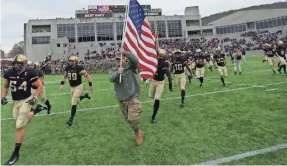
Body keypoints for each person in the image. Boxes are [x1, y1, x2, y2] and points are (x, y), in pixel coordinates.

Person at [1, 54, 45, 165]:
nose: (18, 66)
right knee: (19, 121)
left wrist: (35, 98)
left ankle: (16, 153)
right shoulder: (9, 73)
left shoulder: (30, 72)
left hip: (27, 100)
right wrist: (3, 96)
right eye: (17, 63)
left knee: (19, 125)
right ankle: (36, 110)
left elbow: (40, 86)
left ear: (24, 64)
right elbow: (6, 86)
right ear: (13, 63)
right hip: (15, 102)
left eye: (21, 63)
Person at [109, 48, 144, 146]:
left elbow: (135, 60)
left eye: (120, 58)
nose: (118, 61)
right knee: (128, 119)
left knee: (133, 117)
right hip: (121, 99)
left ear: (125, 59)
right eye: (117, 59)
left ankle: (137, 134)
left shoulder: (131, 67)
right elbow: (111, 78)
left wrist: (125, 53)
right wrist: (118, 72)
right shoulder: (113, 70)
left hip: (133, 97)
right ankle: (138, 130)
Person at [60, 56, 93, 126]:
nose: (70, 62)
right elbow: (64, 76)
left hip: (79, 87)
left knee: (73, 101)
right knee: (77, 101)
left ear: (75, 61)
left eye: (72, 61)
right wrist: (62, 84)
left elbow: (87, 76)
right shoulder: (67, 68)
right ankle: (85, 96)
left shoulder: (79, 68)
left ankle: (71, 119)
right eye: (70, 61)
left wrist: (90, 85)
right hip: (71, 87)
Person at [149, 49, 173, 124]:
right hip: (153, 81)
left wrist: (170, 86)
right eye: (159, 55)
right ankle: (155, 107)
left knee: (157, 99)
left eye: (161, 55)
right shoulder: (153, 61)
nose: (160, 57)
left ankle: (153, 117)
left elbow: (169, 75)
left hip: (160, 82)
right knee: (150, 96)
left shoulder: (164, 64)